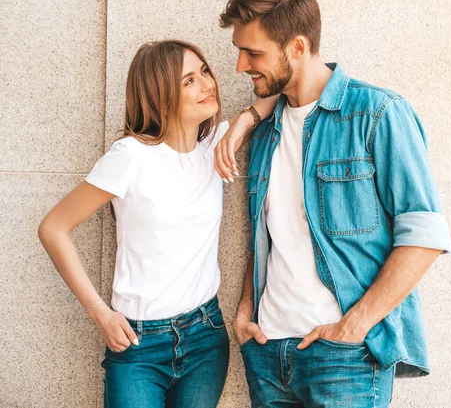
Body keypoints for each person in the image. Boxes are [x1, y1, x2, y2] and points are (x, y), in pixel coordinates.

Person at [215, 0, 451, 407]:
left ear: (298, 47)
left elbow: (424, 236)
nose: (240, 66)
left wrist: (355, 326)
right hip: (268, 351)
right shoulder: (266, 131)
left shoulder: (377, 114)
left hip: (345, 357)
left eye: (253, 53)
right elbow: (264, 236)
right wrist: (246, 309)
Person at [38, 39, 276, 408]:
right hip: (138, 345)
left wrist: (244, 119)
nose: (207, 84)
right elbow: (53, 228)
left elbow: (279, 93)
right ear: (160, 96)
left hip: (205, 337)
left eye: (204, 72)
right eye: (188, 81)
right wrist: (98, 311)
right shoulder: (130, 156)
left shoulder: (215, 144)